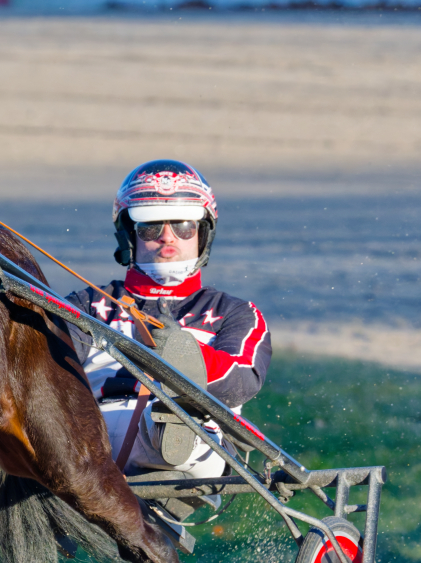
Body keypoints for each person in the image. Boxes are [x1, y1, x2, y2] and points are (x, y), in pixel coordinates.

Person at [68, 160, 270, 517]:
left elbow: (241, 380)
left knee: (171, 417)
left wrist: (184, 357)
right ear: (128, 235)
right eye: (150, 227)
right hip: (90, 439)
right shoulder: (86, 305)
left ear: (202, 233)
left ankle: (170, 421)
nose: (167, 237)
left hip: (196, 439)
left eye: (183, 226)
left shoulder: (235, 312)